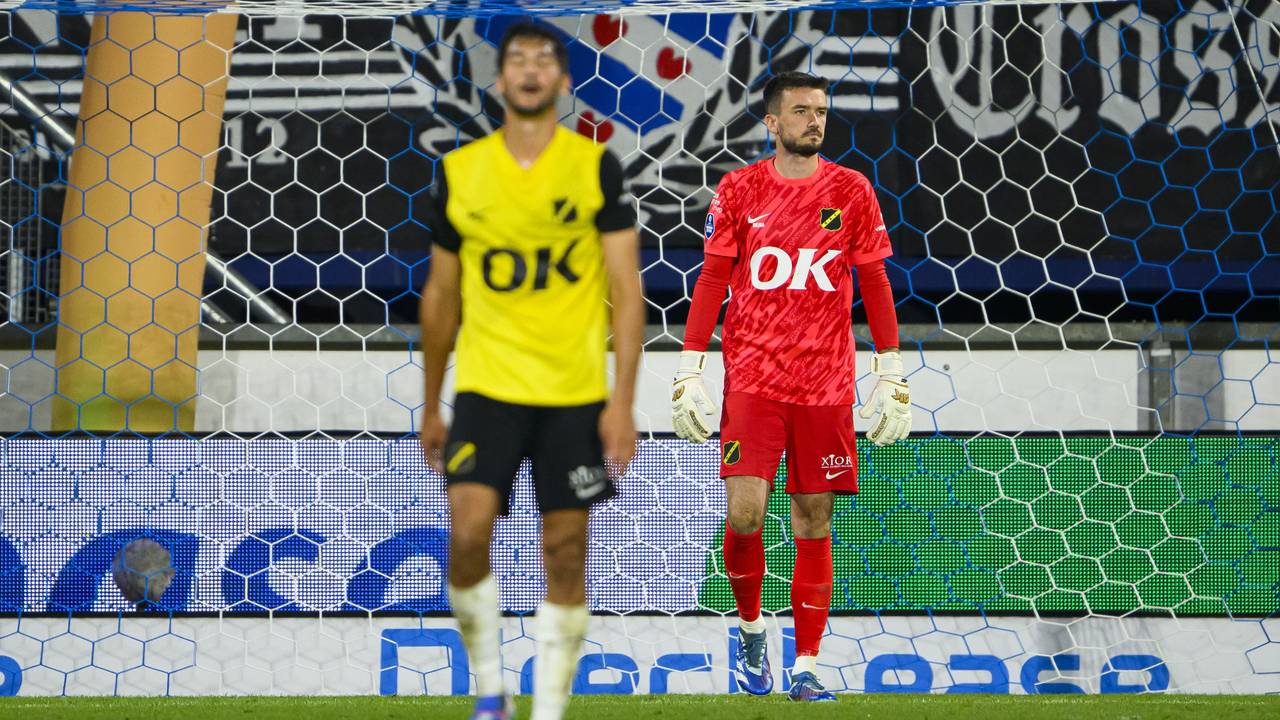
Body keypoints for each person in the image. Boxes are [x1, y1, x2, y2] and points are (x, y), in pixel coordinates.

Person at [418, 21, 644, 720]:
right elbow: (441, 295)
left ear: (565, 81)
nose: (529, 70)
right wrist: (433, 403)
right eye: (516, 59)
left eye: (545, 59)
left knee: (565, 547)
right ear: (497, 81)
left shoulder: (595, 166)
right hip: (487, 387)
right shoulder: (461, 173)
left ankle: (547, 709)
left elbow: (627, 290)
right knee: (466, 530)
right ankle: (491, 690)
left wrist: (621, 403)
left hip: (573, 392)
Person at [670, 71, 912, 702]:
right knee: (744, 514)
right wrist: (690, 366)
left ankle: (805, 667)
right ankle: (752, 631)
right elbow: (713, 279)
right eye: (801, 111)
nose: (816, 121)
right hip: (752, 377)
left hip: (826, 382)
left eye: (822, 112)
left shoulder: (851, 190)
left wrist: (889, 371)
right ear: (772, 123)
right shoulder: (740, 188)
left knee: (813, 519)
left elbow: (876, 285)